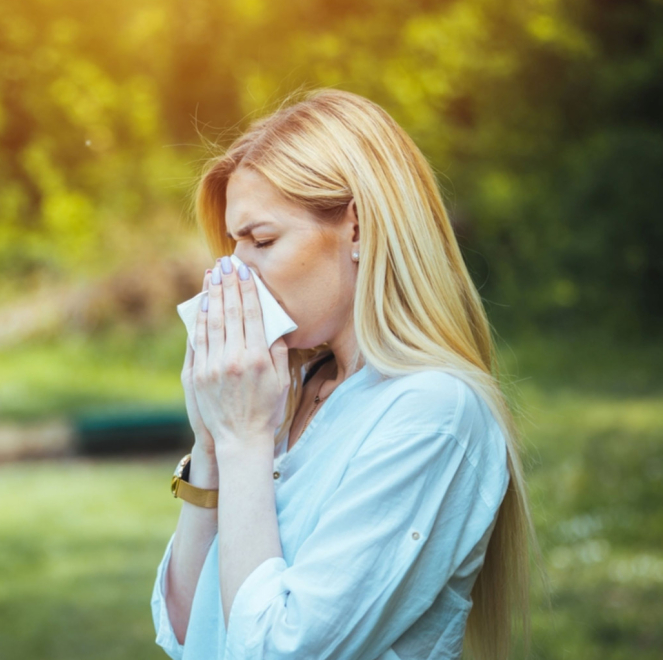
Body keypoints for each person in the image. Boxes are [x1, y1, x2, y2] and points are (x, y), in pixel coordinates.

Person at [150, 88, 538, 660]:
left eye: (262, 240)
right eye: (234, 245)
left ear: (356, 228)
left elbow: (279, 650)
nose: (234, 271)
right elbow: (185, 633)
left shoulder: (431, 415)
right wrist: (211, 444)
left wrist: (242, 441)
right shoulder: (283, 392)